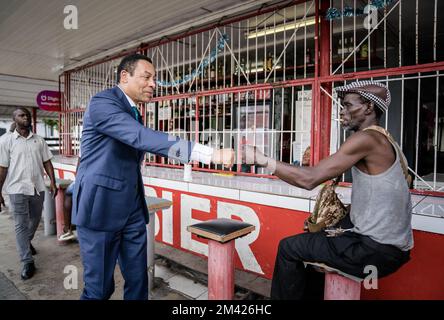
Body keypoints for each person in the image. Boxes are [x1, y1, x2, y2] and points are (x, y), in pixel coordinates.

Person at [72, 53, 234, 300]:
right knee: (99, 290)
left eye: (154, 79)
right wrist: (209, 153)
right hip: (100, 209)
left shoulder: (133, 110)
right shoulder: (103, 103)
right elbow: (141, 137)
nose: (153, 84)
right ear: (124, 76)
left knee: (139, 282)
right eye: (146, 77)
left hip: (133, 211)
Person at [244, 81, 413, 300]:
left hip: (376, 251)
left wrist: (262, 160)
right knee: (316, 240)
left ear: (369, 108)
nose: (342, 112)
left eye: (348, 105)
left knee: (288, 248)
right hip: (393, 247)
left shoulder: (365, 139)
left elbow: (310, 179)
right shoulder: (388, 141)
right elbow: (388, 196)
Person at [0, 108, 57, 280]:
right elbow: (2, 168)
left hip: (38, 187)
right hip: (17, 188)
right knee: (20, 224)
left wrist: (52, 181)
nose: (26, 117)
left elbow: (47, 162)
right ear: (14, 118)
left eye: (27, 115)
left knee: (34, 219)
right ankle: (27, 261)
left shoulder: (39, 141)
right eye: (21, 115)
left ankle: (26, 242)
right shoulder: (6, 141)